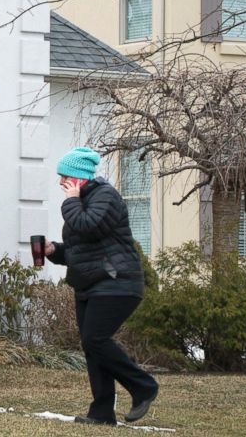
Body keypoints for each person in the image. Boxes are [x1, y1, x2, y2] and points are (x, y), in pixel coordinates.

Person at [44, 146, 159, 426]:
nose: (61, 183)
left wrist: (70, 201)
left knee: (95, 339)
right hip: (91, 283)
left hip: (116, 282)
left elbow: (88, 225)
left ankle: (143, 386)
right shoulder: (84, 199)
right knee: (91, 347)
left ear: (79, 178)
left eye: (64, 177)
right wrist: (54, 251)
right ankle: (102, 412)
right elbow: (84, 247)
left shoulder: (105, 196)